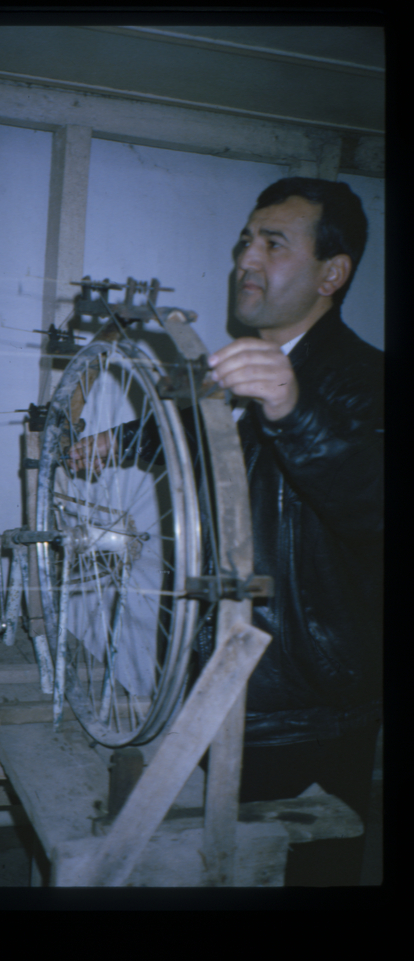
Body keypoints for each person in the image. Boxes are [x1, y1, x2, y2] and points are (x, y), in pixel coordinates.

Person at [68, 178, 383, 885]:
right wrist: (113, 444)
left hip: (307, 699)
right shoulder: (244, 376)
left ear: (333, 273)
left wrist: (294, 408)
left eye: (275, 242)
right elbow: (197, 439)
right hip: (220, 675)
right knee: (225, 860)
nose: (246, 257)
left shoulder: (367, 379)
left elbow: (377, 503)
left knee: (299, 866)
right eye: (245, 240)